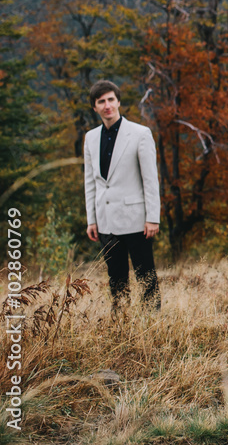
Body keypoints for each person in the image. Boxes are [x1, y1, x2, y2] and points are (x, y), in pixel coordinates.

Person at [83, 80, 161, 310]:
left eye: (110, 100)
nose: (107, 105)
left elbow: (150, 179)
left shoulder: (140, 134)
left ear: (118, 102)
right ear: (95, 107)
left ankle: (152, 324)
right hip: (106, 221)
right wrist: (92, 219)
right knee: (116, 280)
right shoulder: (91, 137)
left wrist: (153, 217)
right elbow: (90, 181)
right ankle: (122, 326)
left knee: (146, 276)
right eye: (101, 102)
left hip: (137, 221)